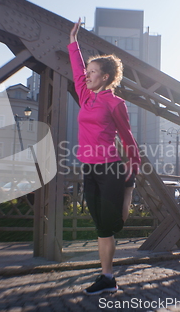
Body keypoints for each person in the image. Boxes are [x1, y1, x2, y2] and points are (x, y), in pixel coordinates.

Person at [69, 18, 141, 295]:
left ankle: (128, 191)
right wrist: (73, 42)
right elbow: (75, 69)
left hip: (111, 167)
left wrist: (132, 164)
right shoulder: (85, 95)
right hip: (89, 167)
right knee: (101, 224)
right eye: (88, 71)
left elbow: (126, 135)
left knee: (112, 224)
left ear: (106, 77)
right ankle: (107, 278)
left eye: (93, 71)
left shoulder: (115, 103)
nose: (87, 74)